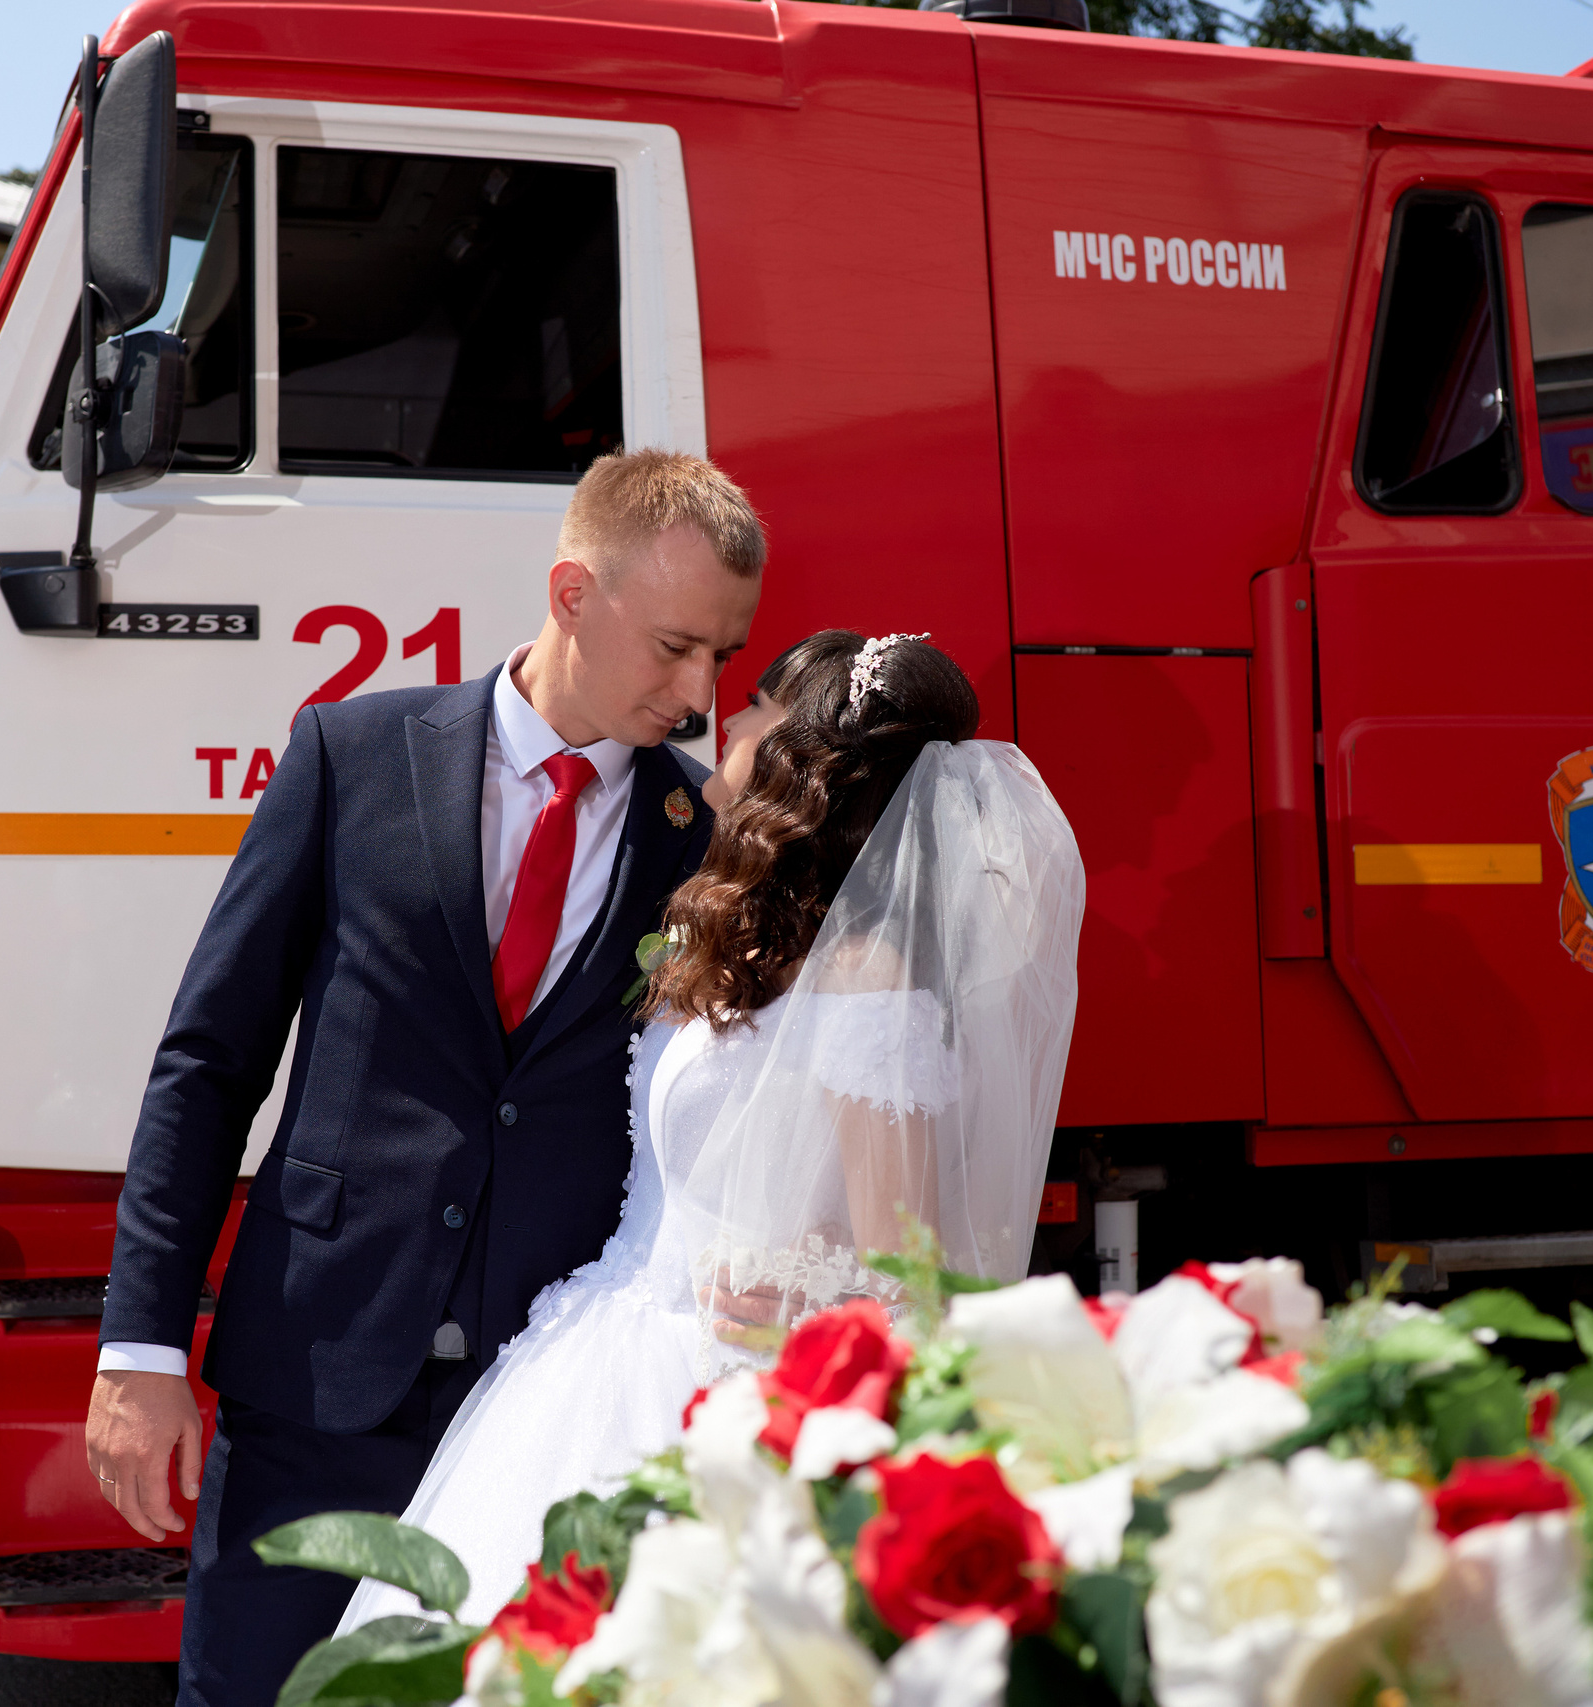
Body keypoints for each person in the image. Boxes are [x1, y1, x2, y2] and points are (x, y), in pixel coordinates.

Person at [85, 448, 768, 1707]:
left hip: (545, 1404)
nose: (697, 689)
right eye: (676, 645)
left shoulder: (703, 840)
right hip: (318, 1374)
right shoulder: (352, 753)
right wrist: (139, 1348)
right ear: (572, 593)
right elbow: (210, 1055)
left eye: (720, 656)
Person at [337, 629, 1087, 1633]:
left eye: (757, 706)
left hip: (727, 1371)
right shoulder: (758, 936)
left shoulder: (867, 984)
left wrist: (808, 1302)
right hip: (607, 1347)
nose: (721, 718)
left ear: (802, 757)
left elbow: (909, 1277)